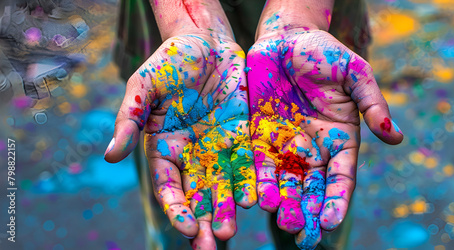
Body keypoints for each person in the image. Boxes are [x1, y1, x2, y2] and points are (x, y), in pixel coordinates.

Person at [105, 1, 403, 249]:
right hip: (173, 31)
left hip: (315, 29)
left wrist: (299, 16)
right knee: (191, 221)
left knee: (311, 216)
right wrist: (192, 24)